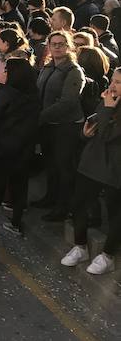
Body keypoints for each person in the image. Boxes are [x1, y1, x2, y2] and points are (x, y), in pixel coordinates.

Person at [61, 67, 121, 275]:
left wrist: (108, 109)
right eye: (113, 80)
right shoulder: (108, 100)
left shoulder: (110, 104)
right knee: (78, 202)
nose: (112, 85)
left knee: (115, 213)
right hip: (92, 162)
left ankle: (108, 255)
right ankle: (80, 246)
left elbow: (108, 135)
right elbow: (95, 128)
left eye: (119, 82)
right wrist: (86, 133)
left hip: (114, 168)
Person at [34, 30, 86, 221]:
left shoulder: (74, 71)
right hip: (48, 125)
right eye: (53, 43)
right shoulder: (48, 67)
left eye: (61, 44)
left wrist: (40, 116)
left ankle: (63, 207)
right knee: (51, 164)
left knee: (64, 167)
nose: (56, 47)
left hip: (66, 126)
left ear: (68, 46)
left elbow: (68, 102)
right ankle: (50, 198)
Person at [0, 58, 40, 236]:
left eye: (7, 70)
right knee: (20, 186)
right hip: (24, 147)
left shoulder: (6, 94)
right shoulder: (34, 95)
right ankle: (16, 223)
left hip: (3, 146)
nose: (4, 73)